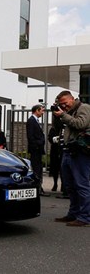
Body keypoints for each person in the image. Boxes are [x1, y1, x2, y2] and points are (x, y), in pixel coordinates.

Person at [52, 91, 90, 227]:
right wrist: (59, 115)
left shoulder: (84, 108)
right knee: (70, 186)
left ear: (72, 99)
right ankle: (73, 214)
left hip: (80, 153)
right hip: (67, 152)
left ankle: (85, 217)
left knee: (82, 185)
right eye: (61, 104)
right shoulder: (68, 113)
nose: (64, 106)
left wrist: (63, 115)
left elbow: (81, 124)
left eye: (65, 103)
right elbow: (58, 128)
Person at [26, 104, 46, 196]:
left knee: (39, 169)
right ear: (37, 111)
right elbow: (30, 136)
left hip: (38, 150)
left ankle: (39, 187)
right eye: (42, 110)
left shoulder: (35, 121)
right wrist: (37, 145)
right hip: (35, 150)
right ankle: (37, 187)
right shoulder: (31, 121)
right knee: (36, 169)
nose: (43, 112)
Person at [48, 114, 63, 193]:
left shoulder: (63, 128)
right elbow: (50, 138)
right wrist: (56, 139)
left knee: (61, 169)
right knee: (55, 169)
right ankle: (56, 184)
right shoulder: (53, 129)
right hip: (55, 150)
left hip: (60, 150)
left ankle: (61, 185)